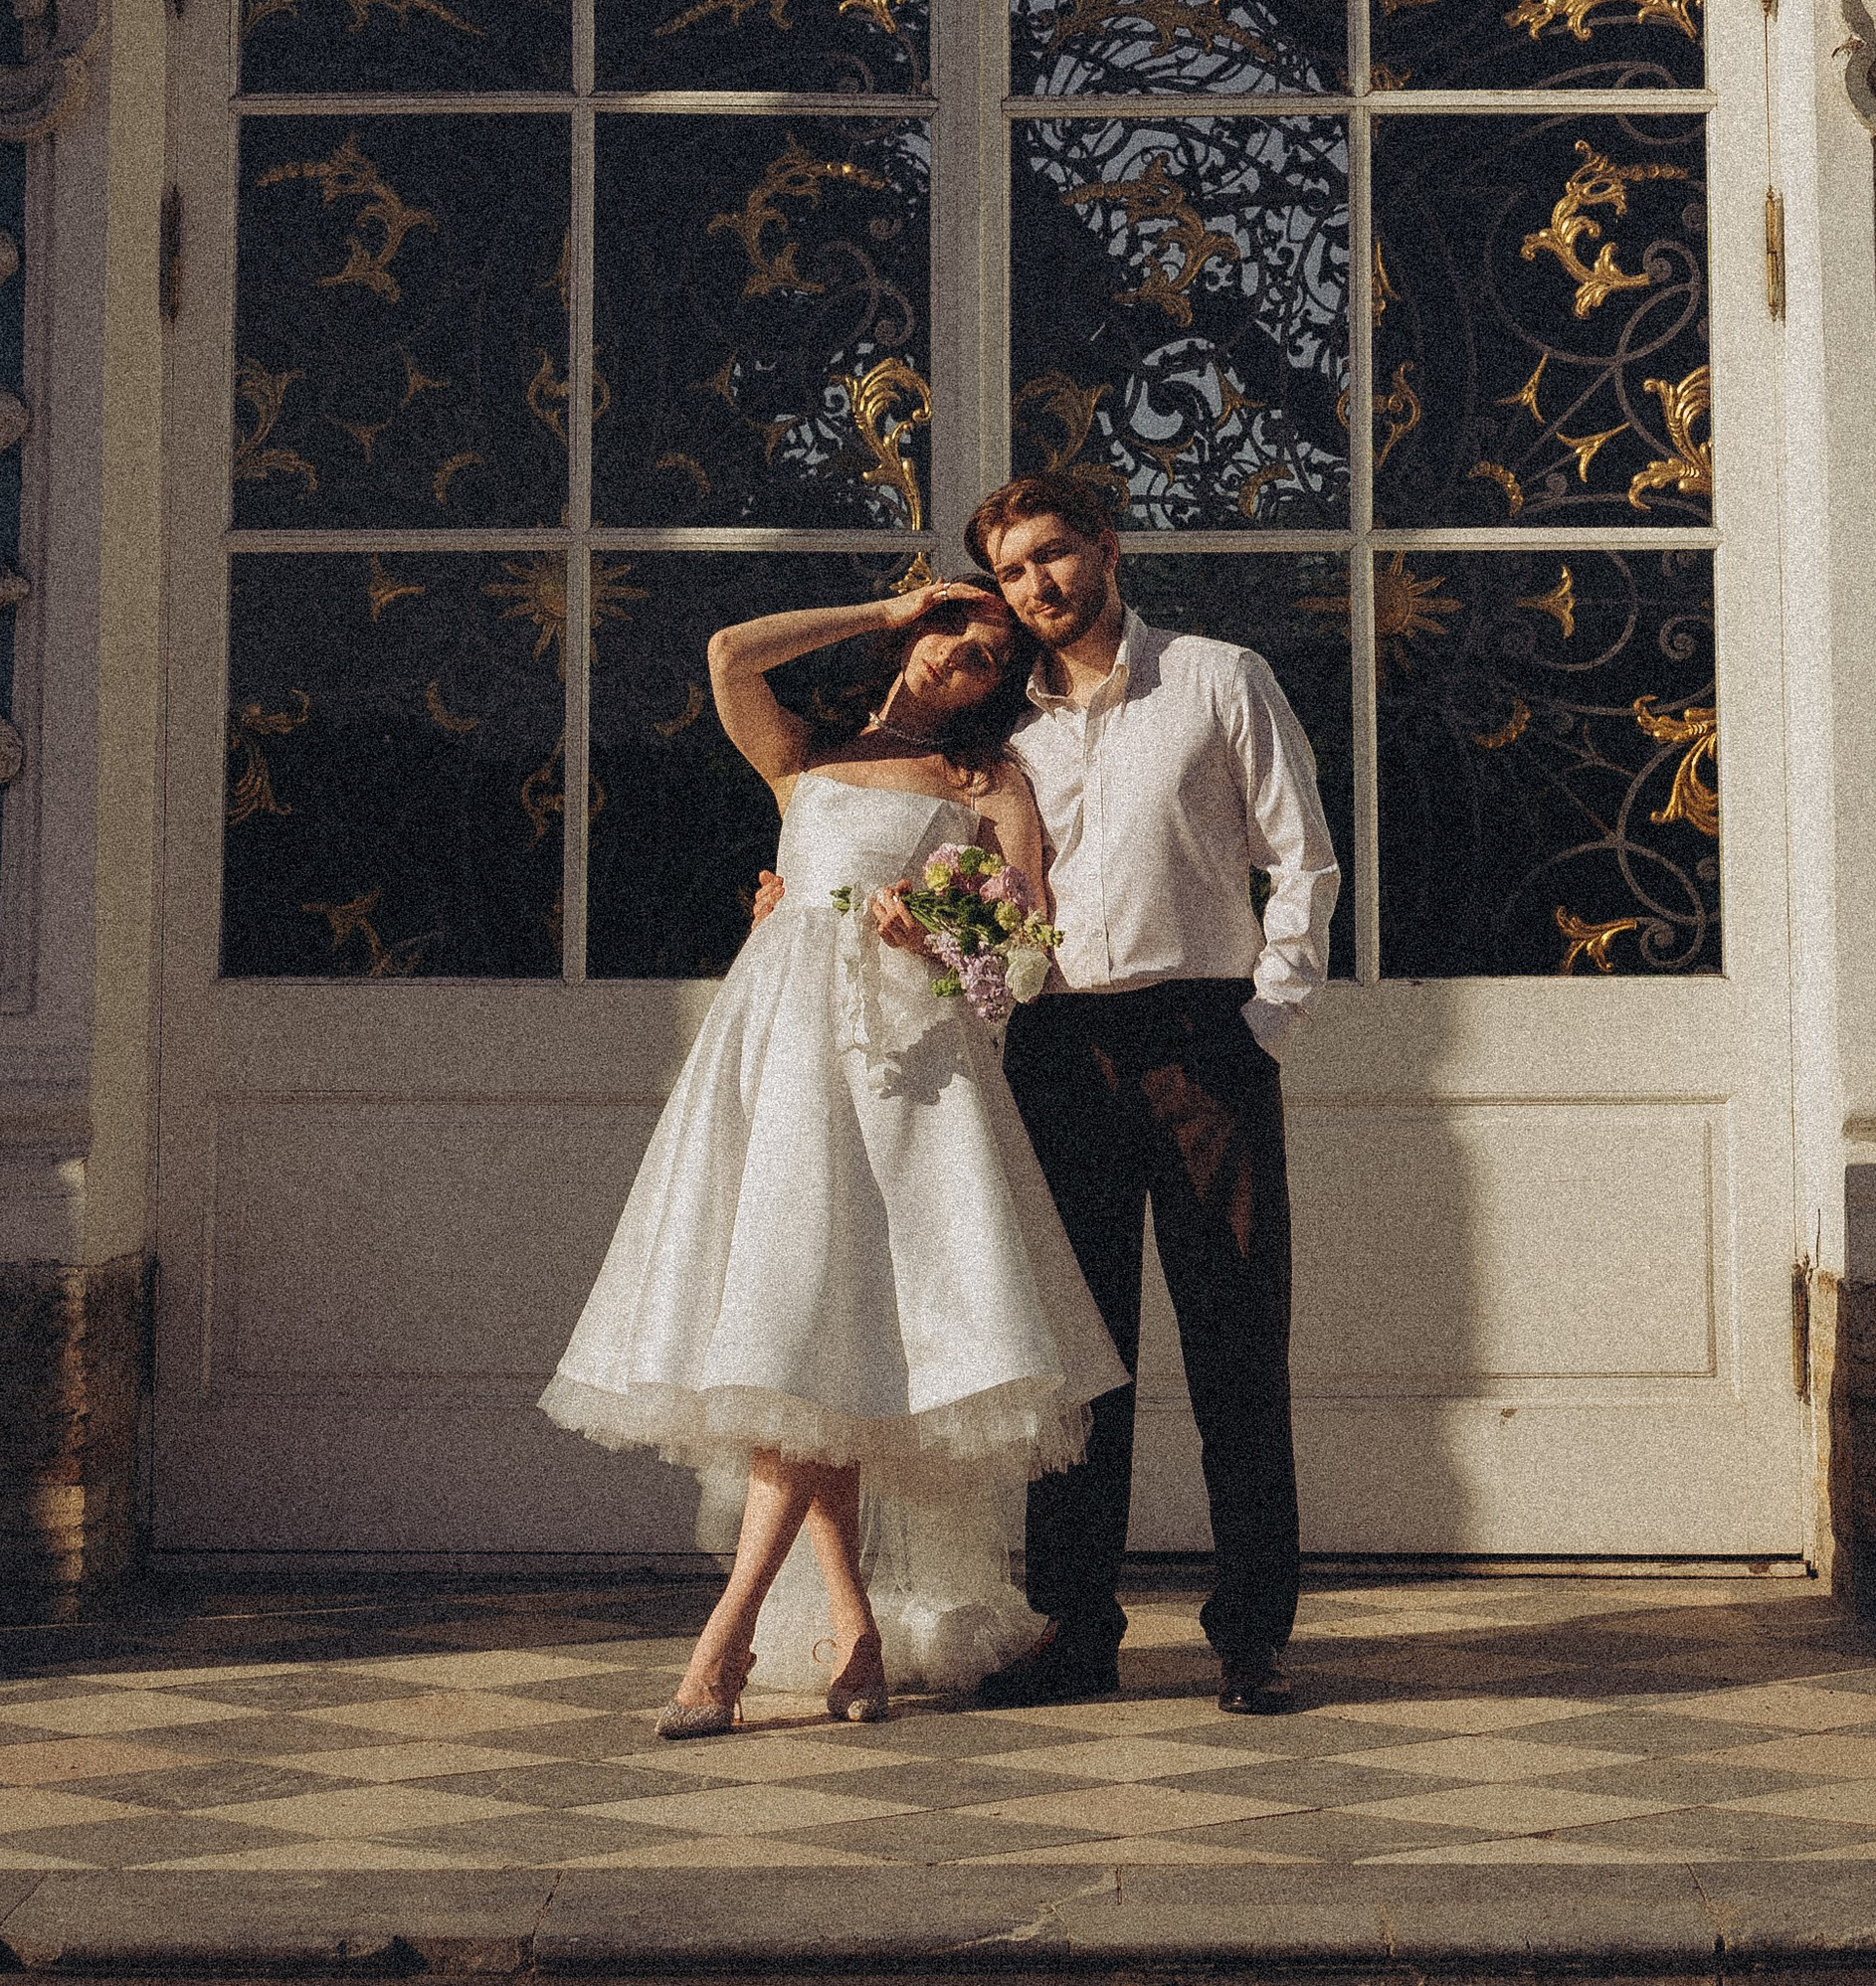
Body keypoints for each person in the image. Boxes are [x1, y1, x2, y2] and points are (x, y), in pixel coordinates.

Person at [538, 581, 1124, 1735]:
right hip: (778, 1068)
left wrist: (939, 939)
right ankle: (854, 1638)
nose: (969, 658)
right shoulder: (803, 758)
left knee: (814, 1346)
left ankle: (725, 1641)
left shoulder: (985, 782)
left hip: (907, 1078)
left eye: (994, 656)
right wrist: (887, 603)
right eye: (956, 633)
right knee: (807, 1346)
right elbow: (726, 645)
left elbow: (1025, 967)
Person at [967, 470, 1340, 1719]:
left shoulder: (1218, 677)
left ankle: (1251, 1635)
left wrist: (1263, 1023)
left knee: (1235, 1343)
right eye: (1014, 572)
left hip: (1201, 1041)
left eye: (1055, 556)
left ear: (1107, 548)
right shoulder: (996, 728)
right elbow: (972, 897)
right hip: (1056, 1050)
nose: (1038, 587)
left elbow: (1302, 858)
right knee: (1081, 1365)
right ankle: (1075, 1631)